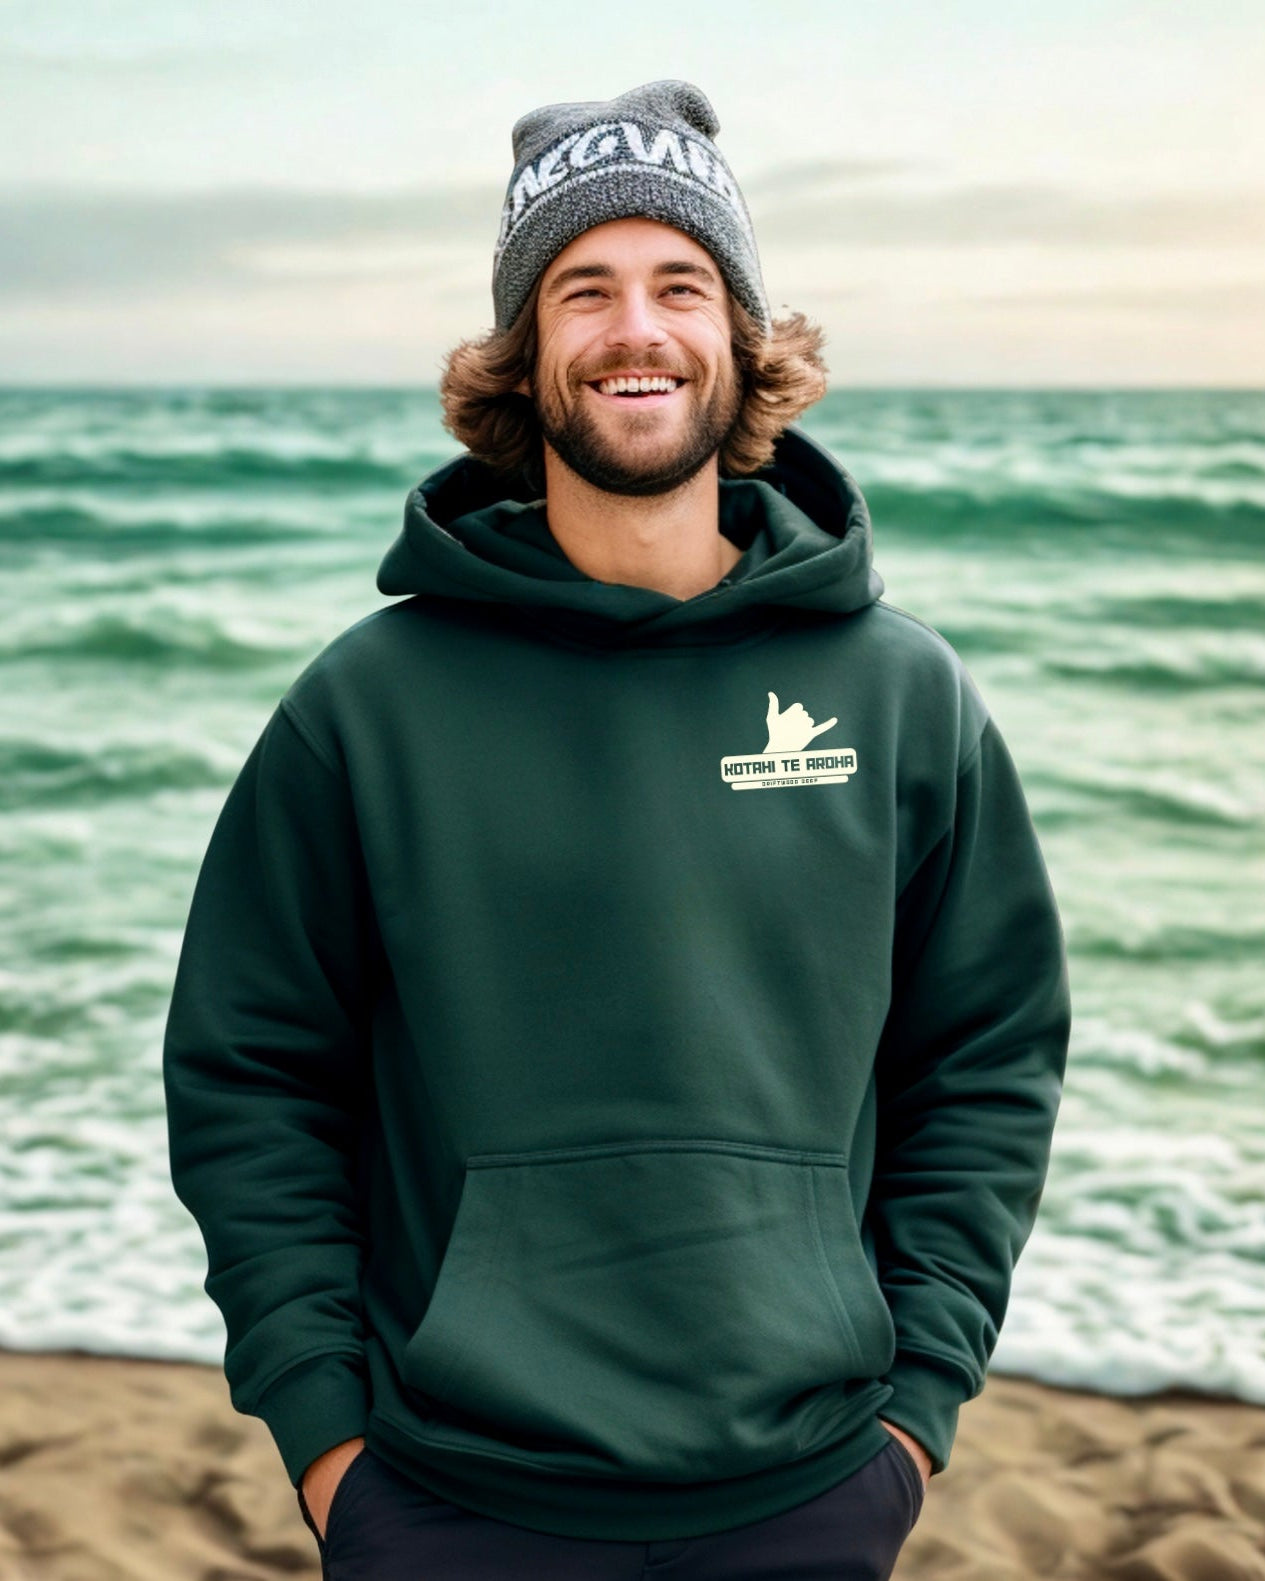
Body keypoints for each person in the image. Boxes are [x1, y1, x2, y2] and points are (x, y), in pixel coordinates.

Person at [163, 79, 1071, 1581]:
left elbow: (982, 1057)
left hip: (811, 1481)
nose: (634, 330)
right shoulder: (367, 706)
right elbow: (252, 1070)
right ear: (524, 357)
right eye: (582, 290)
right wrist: (326, 1440)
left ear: (741, 338)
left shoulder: (903, 693)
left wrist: (915, 1409)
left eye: (680, 285)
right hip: (448, 1491)